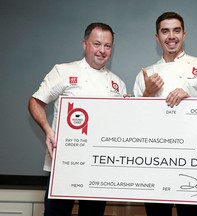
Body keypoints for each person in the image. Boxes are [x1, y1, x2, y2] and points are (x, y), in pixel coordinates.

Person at [28, 22, 127, 216]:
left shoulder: (118, 84)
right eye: (97, 44)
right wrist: (48, 131)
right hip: (64, 164)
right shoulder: (64, 71)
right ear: (85, 44)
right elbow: (35, 102)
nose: (102, 50)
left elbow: (120, 124)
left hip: (99, 168)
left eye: (107, 46)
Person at [133, 12, 197, 216]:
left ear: (184, 34)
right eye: (165, 31)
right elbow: (136, 124)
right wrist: (148, 94)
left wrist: (192, 101)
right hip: (156, 163)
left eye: (176, 30)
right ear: (157, 38)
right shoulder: (146, 75)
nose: (171, 36)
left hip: (193, 161)